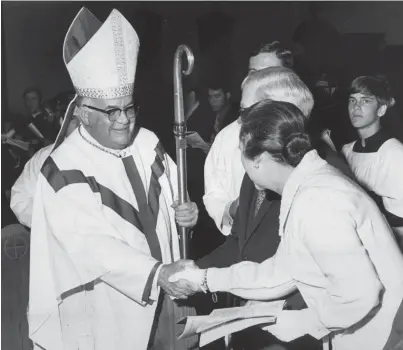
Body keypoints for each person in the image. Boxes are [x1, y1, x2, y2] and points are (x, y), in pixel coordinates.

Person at [28, 8, 199, 350]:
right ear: (83, 114)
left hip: (171, 299)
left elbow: (174, 209)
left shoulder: (149, 143)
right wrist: (155, 275)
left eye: (130, 107)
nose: (125, 120)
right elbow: (90, 245)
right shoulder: (62, 167)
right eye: (111, 110)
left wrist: (188, 216)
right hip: (110, 308)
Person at [173, 99, 403, 350]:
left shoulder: (316, 199)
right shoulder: (306, 184)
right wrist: (204, 279)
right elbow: (281, 272)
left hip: (385, 335)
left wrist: (304, 322)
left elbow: (361, 294)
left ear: (258, 159)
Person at [198, 67, 319, 350]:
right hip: (253, 316)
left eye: (247, 113)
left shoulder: (317, 182)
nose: (241, 123)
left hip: (295, 329)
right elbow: (239, 243)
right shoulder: (257, 169)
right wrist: (194, 271)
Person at [204, 42, 293, 236]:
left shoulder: (298, 135)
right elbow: (214, 192)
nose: (258, 81)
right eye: (253, 72)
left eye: (268, 73)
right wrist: (230, 209)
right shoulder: (227, 136)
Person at [342, 75, 403, 248]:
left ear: (381, 110)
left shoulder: (394, 153)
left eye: (366, 101)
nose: (356, 107)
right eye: (352, 100)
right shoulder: (347, 150)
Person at [10, 111, 80, 228]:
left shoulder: (110, 155)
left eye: (86, 116)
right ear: (62, 121)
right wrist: (52, 222)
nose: (80, 124)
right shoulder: (44, 157)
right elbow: (20, 199)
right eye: (73, 118)